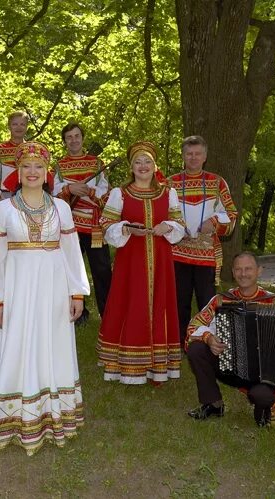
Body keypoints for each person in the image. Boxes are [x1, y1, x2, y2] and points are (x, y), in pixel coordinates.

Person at [0, 142, 90, 455]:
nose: (33, 172)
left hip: (54, 288)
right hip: (17, 289)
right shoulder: (3, 210)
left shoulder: (61, 208)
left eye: (38, 166)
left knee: (51, 343)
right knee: (15, 342)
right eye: (26, 167)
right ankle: (9, 417)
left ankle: (52, 415)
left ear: (47, 171)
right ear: (17, 173)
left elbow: (71, 252)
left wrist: (76, 292)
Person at [185, 252, 275, 427]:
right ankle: (213, 404)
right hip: (227, 366)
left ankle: (262, 411)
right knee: (196, 349)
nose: (243, 273)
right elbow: (193, 326)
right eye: (238, 269)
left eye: (248, 269)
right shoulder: (221, 300)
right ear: (233, 271)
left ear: (259, 271)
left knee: (263, 400)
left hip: (262, 376)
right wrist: (208, 338)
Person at [97, 141, 185, 385]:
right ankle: (126, 365)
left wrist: (168, 226)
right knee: (130, 303)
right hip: (131, 260)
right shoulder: (120, 193)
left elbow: (180, 225)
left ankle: (157, 367)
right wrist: (125, 228)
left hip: (161, 259)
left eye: (147, 161)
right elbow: (106, 224)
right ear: (131, 167)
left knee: (160, 304)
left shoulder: (168, 193)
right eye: (138, 162)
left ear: (154, 165)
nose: (143, 166)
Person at [169, 135, 237, 347]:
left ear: (205, 156)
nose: (193, 157)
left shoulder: (217, 182)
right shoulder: (169, 183)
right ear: (183, 156)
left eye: (197, 153)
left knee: (207, 301)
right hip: (177, 252)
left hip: (206, 255)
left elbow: (232, 214)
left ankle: (208, 343)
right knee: (179, 301)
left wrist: (215, 222)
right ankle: (180, 343)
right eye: (189, 154)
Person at [53, 122, 111, 325]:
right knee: (71, 269)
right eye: (69, 137)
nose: (74, 140)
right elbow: (53, 193)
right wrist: (70, 188)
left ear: (82, 138)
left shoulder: (96, 163)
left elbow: (106, 192)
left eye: (77, 136)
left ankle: (108, 314)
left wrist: (90, 191)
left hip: (94, 226)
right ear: (65, 141)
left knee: (102, 270)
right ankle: (78, 312)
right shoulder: (59, 166)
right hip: (70, 226)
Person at [0, 111, 29, 200]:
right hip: (4, 197)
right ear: (9, 126)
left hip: (30, 197)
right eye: (15, 124)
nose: (19, 127)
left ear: (26, 127)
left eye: (22, 124)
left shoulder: (34, 150)